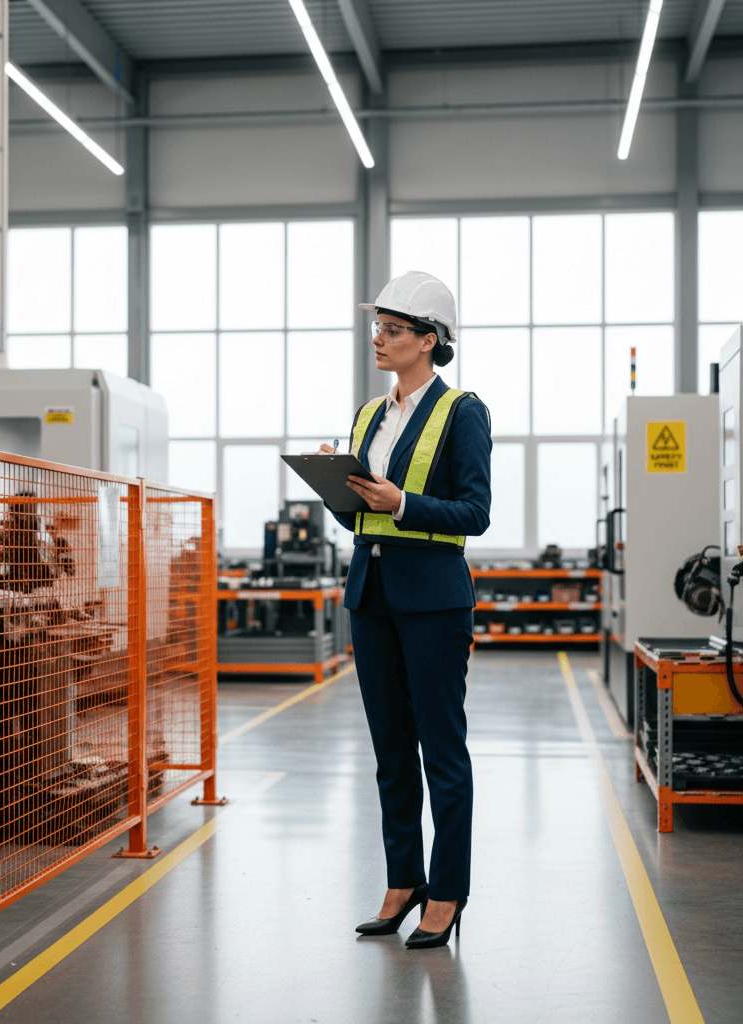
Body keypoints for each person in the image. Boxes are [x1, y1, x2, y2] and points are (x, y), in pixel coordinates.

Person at [322, 270, 491, 949]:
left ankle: (447, 891)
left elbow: (475, 512)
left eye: (392, 331)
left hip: (433, 599)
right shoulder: (369, 414)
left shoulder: (463, 411)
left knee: (440, 752)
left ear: (429, 340)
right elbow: (362, 512)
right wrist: (340, 491)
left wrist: (402, 503)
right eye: (378, 329)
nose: (379, 340)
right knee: (391, 752)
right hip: (372, 592)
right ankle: (402, 881)